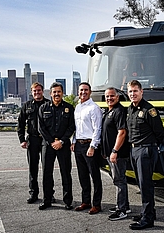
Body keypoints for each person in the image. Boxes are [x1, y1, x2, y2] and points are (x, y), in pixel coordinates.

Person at [126, 80, 164, 230]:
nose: (133, 94)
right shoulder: (130, 109)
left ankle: (148, 219)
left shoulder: (149, 110)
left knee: (146, 184)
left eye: (135, 91)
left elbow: (160, 132)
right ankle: (148, 212)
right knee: (141, 184)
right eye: (130, 91)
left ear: (141, 92)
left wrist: (152, 147)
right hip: (134, 150)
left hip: (145, 150)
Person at [37, 82, 75, 210]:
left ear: (62, 93)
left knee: (66, 173)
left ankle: (68, 201)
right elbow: (41, 128)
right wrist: (51, 142)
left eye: (59, 92)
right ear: (50, 93)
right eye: (54, 92)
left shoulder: (69, 108)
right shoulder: (43, 108)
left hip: (63, 145)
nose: (57, 94)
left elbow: (71, 127)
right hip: (48, 146)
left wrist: (62, 141)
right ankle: (47, 200)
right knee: (47, 173)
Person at [72, 82, 103, 215]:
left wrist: (92, 146)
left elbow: (98, 129)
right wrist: (73, 141)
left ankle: (96, 204)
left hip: (90, 145)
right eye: (81, 90)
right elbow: (76, 128)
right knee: (82, 175)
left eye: (85, 90)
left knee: (95, 176)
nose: (83, 92)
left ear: (90, 92)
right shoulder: (77, 107)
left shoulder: (94, 108)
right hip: (78, 145)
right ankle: (86, 201)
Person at [17, 82, 50, 204]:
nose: (37, 93)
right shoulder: (27, 106)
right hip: (33, 139)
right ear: (32, 93)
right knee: (33, 168)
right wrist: (22, 140)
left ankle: (49, 194)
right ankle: (33, 193)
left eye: (39, 90)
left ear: (42, 91)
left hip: (46, 140)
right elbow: (20, 124)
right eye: (34, 91)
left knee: (47, 168)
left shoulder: (48, 104)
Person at [101, 87, 131, 221]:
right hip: (110, 153)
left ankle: (121, 210)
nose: (109, 98)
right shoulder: (109, 111)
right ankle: (125, 205)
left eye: (112, 96)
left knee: (119, 181)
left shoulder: (119, 111)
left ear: (117, 97)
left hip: (118, 154)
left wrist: (114, 151)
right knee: (118, 180)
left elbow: (122, 132)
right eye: (107, 96)